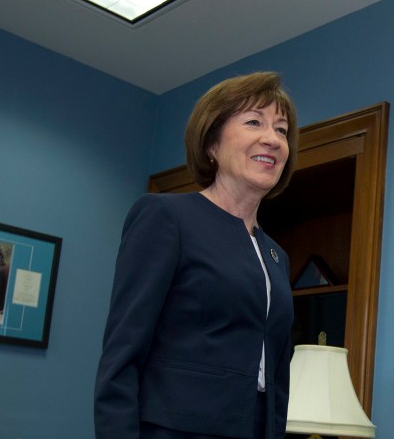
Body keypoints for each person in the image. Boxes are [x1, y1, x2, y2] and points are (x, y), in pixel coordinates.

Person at [94, 71, 298, 439]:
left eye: (281, 130)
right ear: (212, 145)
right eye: (254, 122)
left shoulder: (276, 256)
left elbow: (278, 375)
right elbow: (122, 356)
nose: (273, 139)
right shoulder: (166, 217)